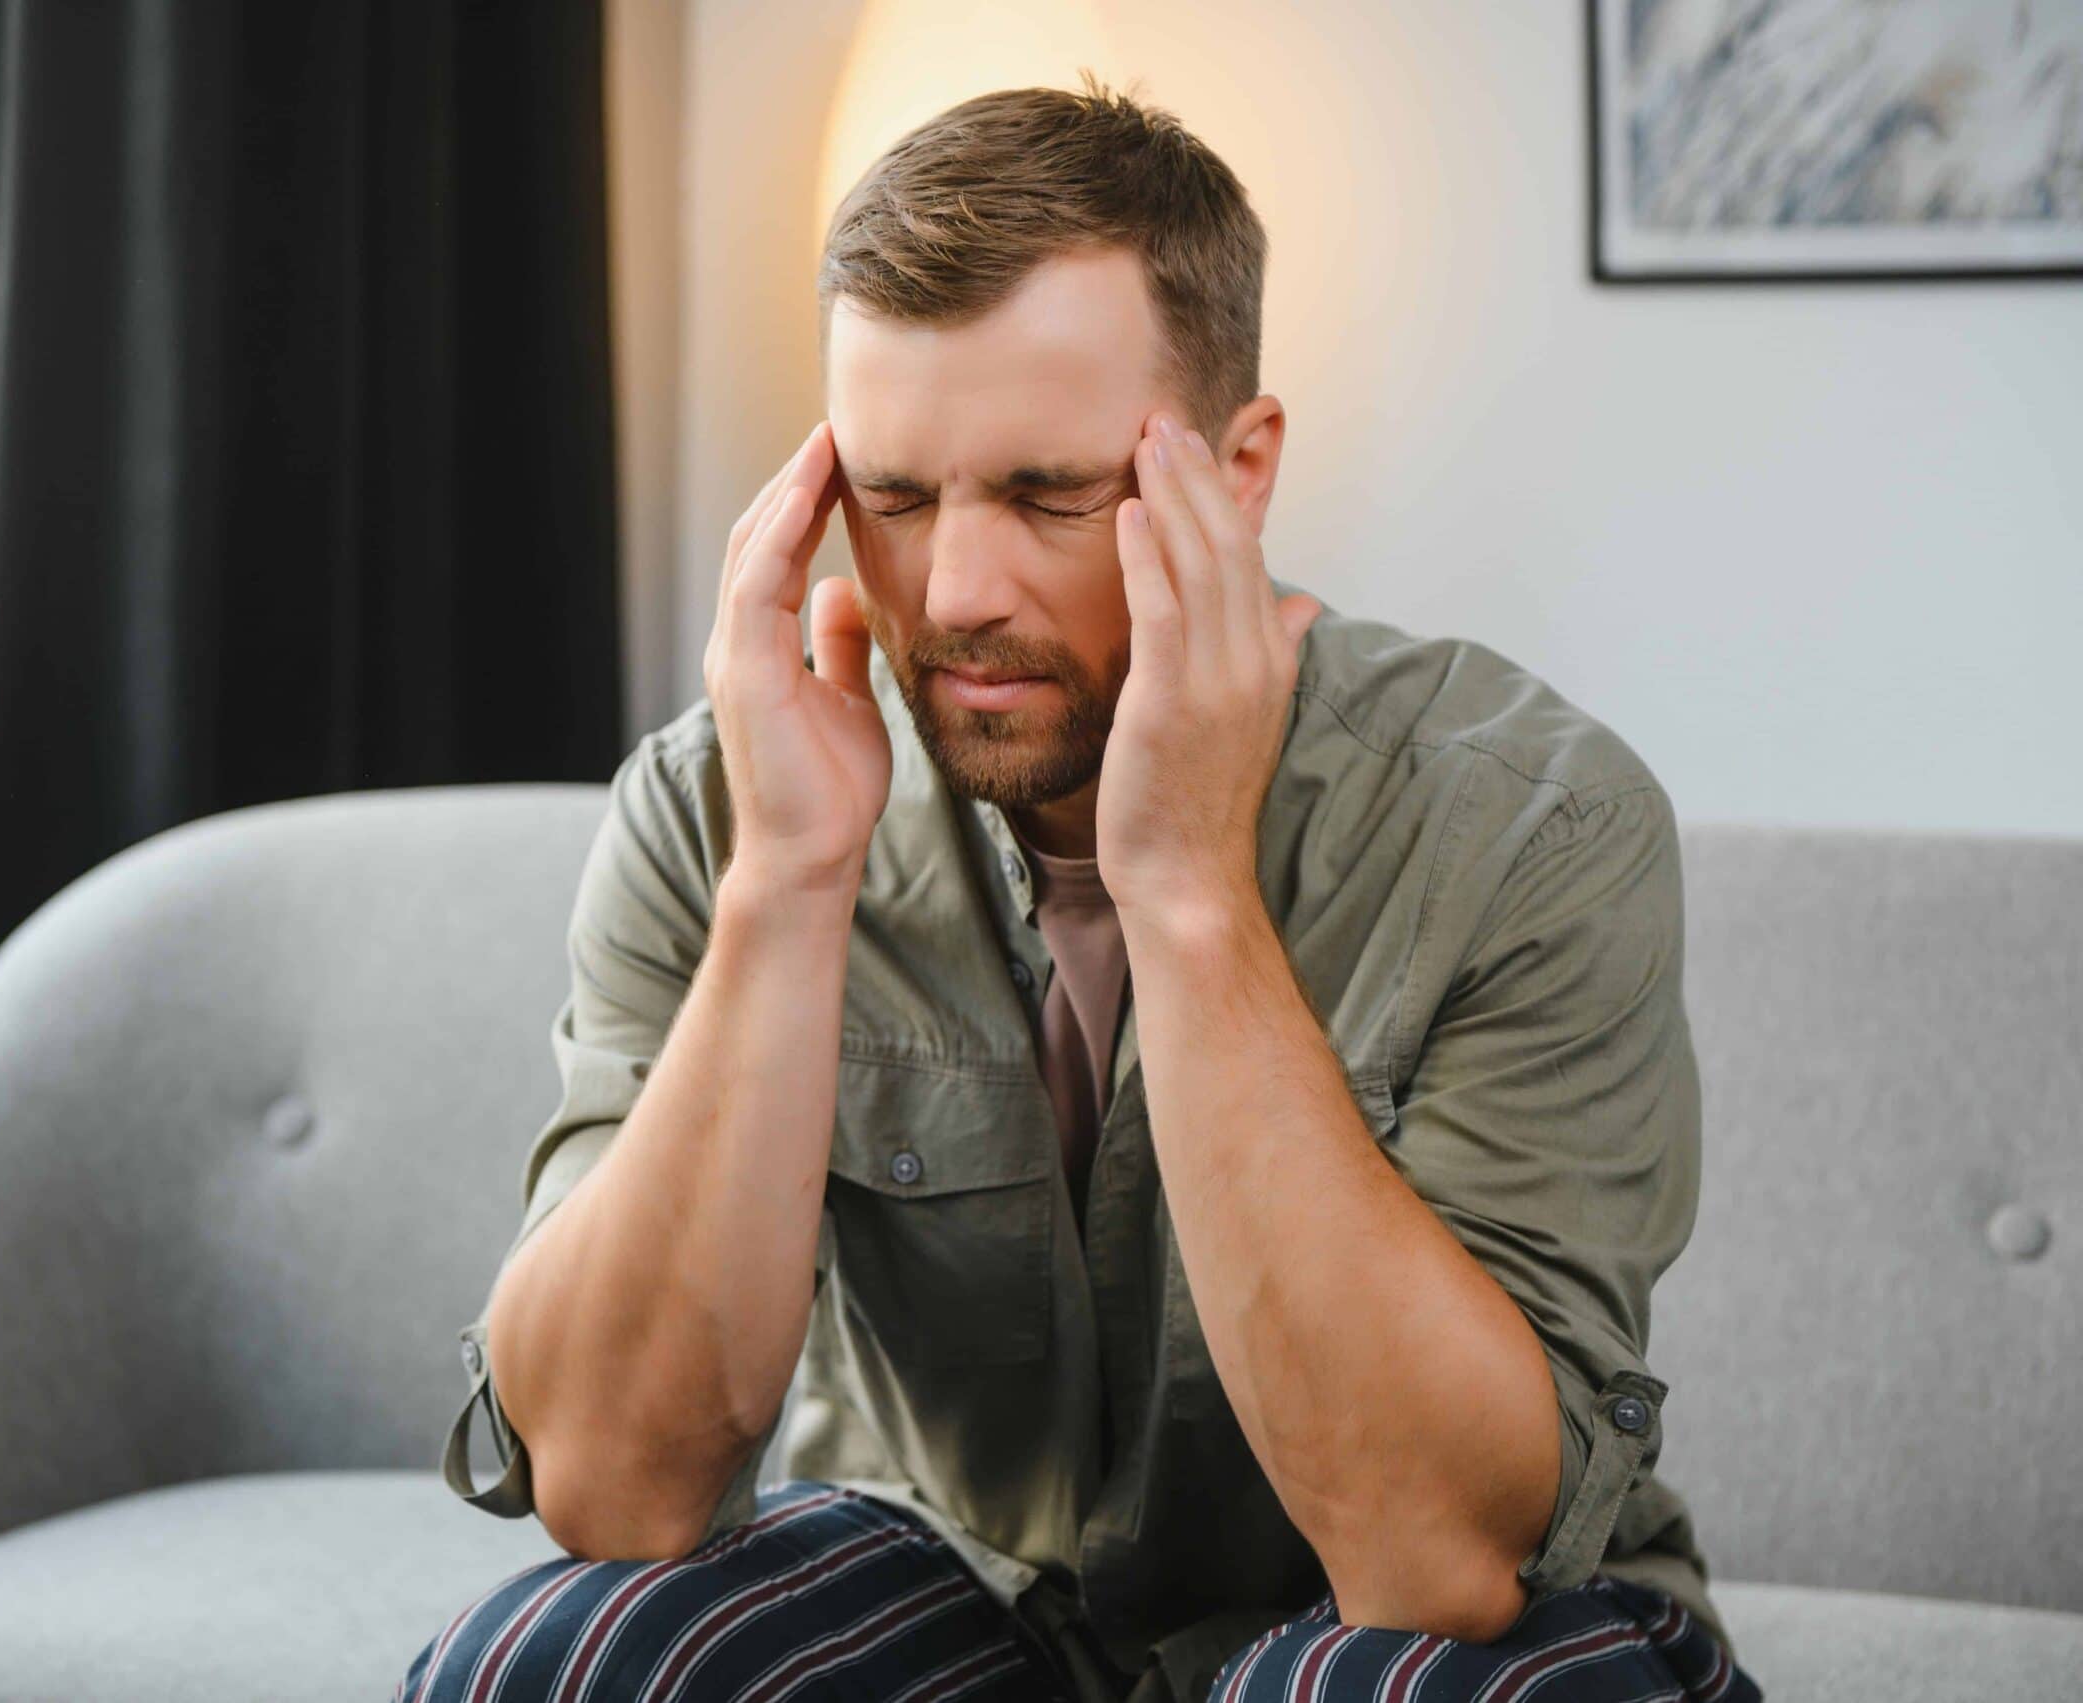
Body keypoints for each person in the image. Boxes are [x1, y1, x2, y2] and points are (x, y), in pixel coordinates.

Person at [401, 75, 1766, 1703]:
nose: (957, 596)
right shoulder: (720, 807)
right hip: (958, 1590)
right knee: (559, 1665)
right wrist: (786, 877)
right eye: (895, 500)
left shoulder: (1531, 823)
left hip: (1437, 1633)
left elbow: (1435, 1554)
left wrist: (1188, 887)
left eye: (1051, 496)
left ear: (1240, 468)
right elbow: (617, 1492)